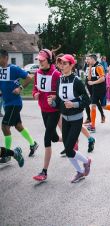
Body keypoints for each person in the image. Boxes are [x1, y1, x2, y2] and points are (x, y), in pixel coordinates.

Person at [47, 54, 91, 183]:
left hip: (76, 119)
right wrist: (53, 103)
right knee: (68, 149)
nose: (61, 65)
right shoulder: (60, 80)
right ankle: (80, 171)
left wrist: (74, 104)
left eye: (65, 63)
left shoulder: (77, 81)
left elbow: (87, 100)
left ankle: (86, 162)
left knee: (68, 149)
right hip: (65, 119)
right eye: (60, 63)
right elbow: (60, 100)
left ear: (72, 65)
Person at [0, 49, 38, 164]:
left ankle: (6, 155)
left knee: (5, 126)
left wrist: (20, 88)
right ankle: (33, 144)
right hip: (7, 103)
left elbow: (29, 78)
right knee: (18, 126)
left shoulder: (14, 69)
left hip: (15, 103)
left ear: (5, 58)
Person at [32, 49, 62, 181]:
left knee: (47, 138)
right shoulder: (37, 73)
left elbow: (61, 94)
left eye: (42, 60)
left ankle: (44, 172)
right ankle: (69, 140)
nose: (40, 62)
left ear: (49, 60)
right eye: (39, 60)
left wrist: (54, 97)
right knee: (54, 138)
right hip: (43, 109)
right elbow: (35, 88)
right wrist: (35, 94)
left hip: (54, 111)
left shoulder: (56, 74)